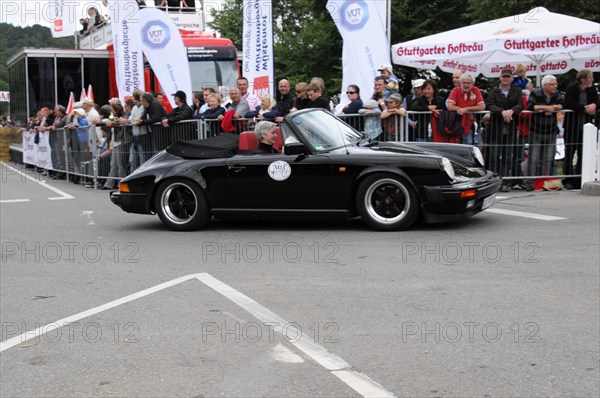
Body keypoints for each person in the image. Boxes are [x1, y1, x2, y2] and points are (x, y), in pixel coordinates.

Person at [485, 68, 524, 190]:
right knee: (494, 157)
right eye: (504, 76)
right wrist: (502, 112)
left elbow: (520, 105)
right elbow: (490, 105)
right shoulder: (494, 91)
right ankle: (493, 181)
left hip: (510, 128)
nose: (506, 79)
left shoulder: (517, 91)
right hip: (496, 129)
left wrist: (511, 111)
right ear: (500, 78)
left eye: (508, 77)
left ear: (512, 78)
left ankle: (505, 182)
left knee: (507, 157)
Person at [524, 74, 564, 191]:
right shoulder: (536, 93)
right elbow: (530, 106)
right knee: (533, 158)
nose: (555, 86)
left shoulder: (556, 94)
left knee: (548, 158)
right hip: (536, 130)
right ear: (545, 85)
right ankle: (529, 182)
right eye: (553, 84)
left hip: (550, 130)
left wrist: (554, 107)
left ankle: (545, 181)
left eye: (556, 84)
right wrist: (546, 108)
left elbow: (563, 104)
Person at [562, 69, 599, 189]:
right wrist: (584, 107)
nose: (592, 80)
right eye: (590, 77)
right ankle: (568, 179)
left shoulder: (592, 89)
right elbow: (568, 104)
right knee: (569, 153)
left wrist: (594, 105)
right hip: (572, 126)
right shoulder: (571, 89)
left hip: (587, 126)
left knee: (584, 153)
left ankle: (580, 178)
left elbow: (597, 101)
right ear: (583, 80)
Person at [447, 73, 485, 145]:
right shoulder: (455, 90)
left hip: (470, 124)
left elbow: (482, 106)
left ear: (472, 84)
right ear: (460, 83)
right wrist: (465, 110)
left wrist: (466, 109)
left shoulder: (476, 90)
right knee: (458, 145)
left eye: (468, 83)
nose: (466, 85)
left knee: (470, 144)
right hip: (456, 124)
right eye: (464, 83)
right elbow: (450, 106)